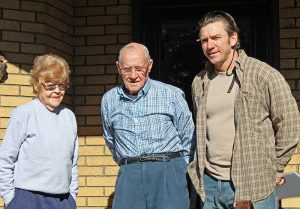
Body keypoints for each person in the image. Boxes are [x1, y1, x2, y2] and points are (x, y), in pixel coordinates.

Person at [188, 10, 300, 209]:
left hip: (253, 185)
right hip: (211, 185)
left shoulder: (263, 75)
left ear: (233, 38)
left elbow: (290, 123)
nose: (209, 45)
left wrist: (275, 168)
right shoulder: (199, 81)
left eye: (216, 38)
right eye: (204, 40)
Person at [101, 42, 195, 209]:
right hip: (130, 173)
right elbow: (110, 138)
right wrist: (130, 163)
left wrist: (179, 168)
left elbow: (188, 134)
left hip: (168, 171)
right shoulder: (109, 100)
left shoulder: (171, 94)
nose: (133, 75)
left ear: (149, 65)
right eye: (127, 69)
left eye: (139, 68)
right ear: (118, 68)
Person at [0, 54, 78, 209]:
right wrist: (11, 199)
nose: (57, 91)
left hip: (62, 200)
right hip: (27, 198)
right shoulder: (24, 113)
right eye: (50, 85)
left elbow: (73, 162)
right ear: (37, 85)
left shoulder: (69, 117)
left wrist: (72, 197)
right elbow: (5, 160)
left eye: (61, 85)